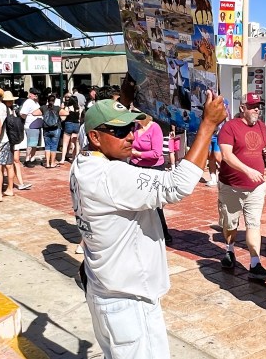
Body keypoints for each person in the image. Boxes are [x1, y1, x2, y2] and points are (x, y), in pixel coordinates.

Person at [72, 93, 226, 359]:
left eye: (131, 127)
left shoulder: (82, 164)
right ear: (95, 137)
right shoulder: (111, 175)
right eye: (119, 130)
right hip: (128, 301)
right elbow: (177, 185)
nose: (130, 135)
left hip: (106, 290)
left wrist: (131, 92)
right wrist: (208, 125)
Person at [217, 93, 266, 280]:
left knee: (253, 224)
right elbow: (226, 155)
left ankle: (255, 263)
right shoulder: (229, 127)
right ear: (242, 108)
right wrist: (247, 170)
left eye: (258, 106)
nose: (257, 109)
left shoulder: (261, 126)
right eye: (252, 106)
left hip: (256, 187)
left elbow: (263, 149)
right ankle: (229, 249)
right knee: (230, 224)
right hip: (231, 185)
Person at [131, 114, 174, 245]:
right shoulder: (134, 127)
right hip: (136, 167)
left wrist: (137, 154)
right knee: (136, 201)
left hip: (154, 169)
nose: (134, 116)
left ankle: (163, 232)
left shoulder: (155, 128)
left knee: (155, 203)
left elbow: (156, 153)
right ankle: (137, 232)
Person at [2, 91, 31, 191]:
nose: (10, 102)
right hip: (6, 138)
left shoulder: (15, 109)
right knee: (6, 163)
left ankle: (21, 182)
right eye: (8, 100)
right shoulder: (2, 110)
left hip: (14, 138)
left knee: (16, 160)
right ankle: (5, 183)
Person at [41, 94, 66, 168]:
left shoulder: (44, 107)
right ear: (54, 100)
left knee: (47, 146)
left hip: (46, 129)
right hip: (56, 128)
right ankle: (52, 163)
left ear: (47, 100)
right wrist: (62, 109)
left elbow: (34, 113)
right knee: (54, 146)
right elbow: (66, 113)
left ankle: (47, 163)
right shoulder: (57, 108)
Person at [19, 87, 43, 167]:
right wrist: (28, 119)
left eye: (37, 94)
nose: (36, 96)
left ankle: (32, 158)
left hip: (36, 125)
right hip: (31, 126)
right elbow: (22, 113)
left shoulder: (35, 102)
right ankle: (27, 159)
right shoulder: (28, 102)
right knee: (31, 144)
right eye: (35, 94)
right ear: (30, 94)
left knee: (34, 144)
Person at [59, 95, 81, 164]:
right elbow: (79, 118)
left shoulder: (67, 108)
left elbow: (63, 118)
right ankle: (74, 158)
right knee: (74, 144)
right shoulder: (79, 108)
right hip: (76, 125)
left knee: (65, 144)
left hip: (69, 124)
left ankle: (62, 159)